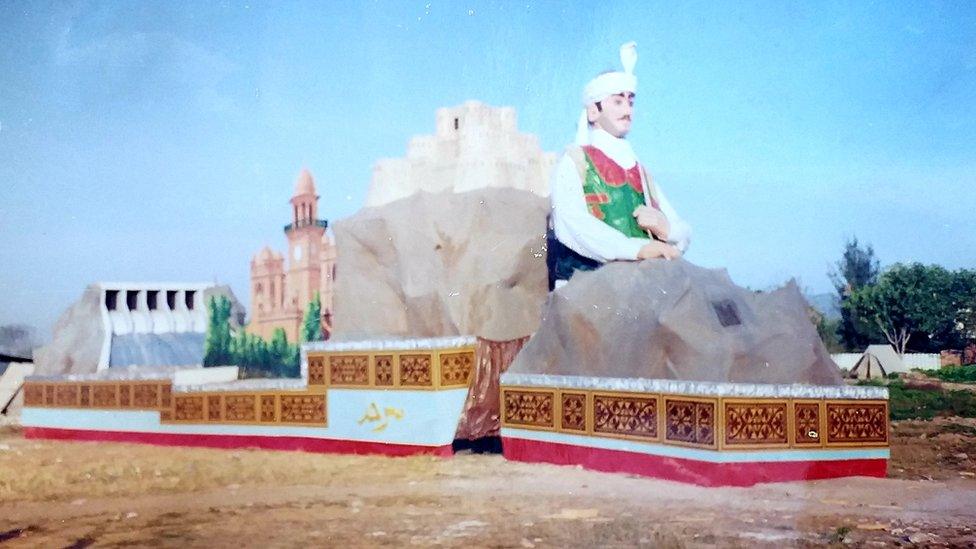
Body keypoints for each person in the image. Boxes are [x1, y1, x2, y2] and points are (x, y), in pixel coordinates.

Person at [548, 42, 692, 290]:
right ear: (594, 110)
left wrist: (666, 229)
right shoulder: (575, 161)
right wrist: (638, 249)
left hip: (639, 288)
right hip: (585, 292)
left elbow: (684, 230)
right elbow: (571, 223)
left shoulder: (642, 173)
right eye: (617, 102)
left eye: (631, 102)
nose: (628, 111)